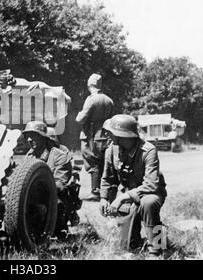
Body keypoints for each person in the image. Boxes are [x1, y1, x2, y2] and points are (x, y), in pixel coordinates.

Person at [99, 114, 167, 257]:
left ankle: (157, 249)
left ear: (121, 134)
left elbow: (151, 185)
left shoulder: (148, 151)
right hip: (129, 194)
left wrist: (122, 197)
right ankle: (144, 242)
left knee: (147, 204)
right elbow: (108, 178)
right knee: (127, 247)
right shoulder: (111, 150)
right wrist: (104, 198)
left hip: (152, 192)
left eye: (111, 132)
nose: (108, 135)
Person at [23, 121, 76, 237]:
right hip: (33, 195)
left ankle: (56, 229)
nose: (29, 140)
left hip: (53, 197)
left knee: (47, 206)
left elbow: (60, 185)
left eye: (33, 135)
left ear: (43, 137)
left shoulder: (59, 156)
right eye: (27, 136)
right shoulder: (29, 156)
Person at [75, 73, 114, 201]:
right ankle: (105, 191)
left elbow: (81, 118)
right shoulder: (109, 100)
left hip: (90, 135)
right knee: (104, 162)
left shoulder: (91, 99)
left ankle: (95, 191)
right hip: (106, 134)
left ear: (89, 84)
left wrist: (78, 114)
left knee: (92, 162)